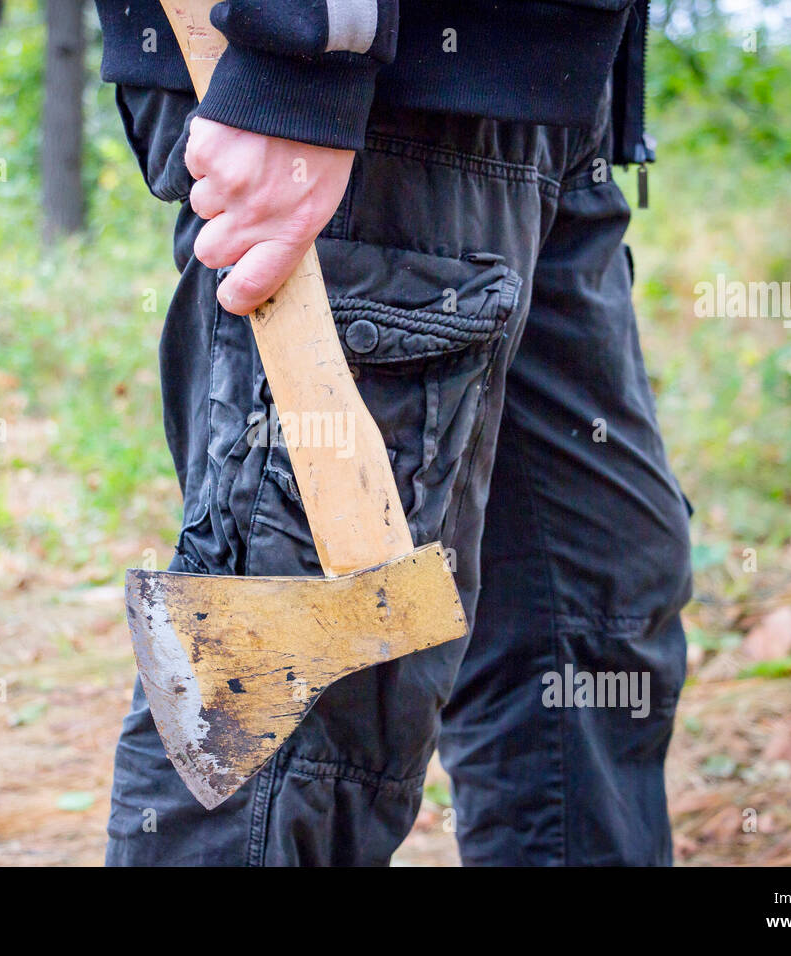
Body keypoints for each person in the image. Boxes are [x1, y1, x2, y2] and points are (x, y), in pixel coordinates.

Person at [95, 0, 692, 865]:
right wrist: (297, 61)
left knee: (587, 608)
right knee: (301, 677)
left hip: (544, 89)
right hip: (363, 95)